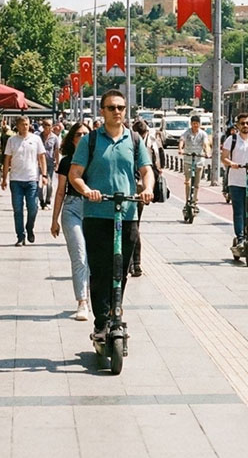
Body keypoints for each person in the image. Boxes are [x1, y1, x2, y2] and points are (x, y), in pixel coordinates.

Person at [68, 90, 154, 342]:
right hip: (97, 214)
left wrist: (147, 188)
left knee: (121, 269)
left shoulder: (135, 139)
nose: (117, 112)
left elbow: (146, 170)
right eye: (111, 107)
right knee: (100, 270)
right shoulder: (90, 140)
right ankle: (101, 321)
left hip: (126, 214)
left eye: (121, 107)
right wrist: (87, 191)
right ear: (102, 111)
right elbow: (75, 174)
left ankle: (116, 311)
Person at [50, 122, 91, 321]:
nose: (82, 138)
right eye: (78, 135)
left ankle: (95, 299)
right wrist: (54, 220)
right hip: (72, 208)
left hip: (94, 210)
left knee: (94, 257)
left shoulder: (97, 159)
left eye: (86, 134)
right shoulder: (67, 162)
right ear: (72, 139)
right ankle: (82, 301)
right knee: (79, 255)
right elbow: (60, 192)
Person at [220, 112, 248, 247]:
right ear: (237, 125)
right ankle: (240, 237)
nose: (245, 125)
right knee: (239, 210)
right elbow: (224, 157)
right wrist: (231, 163)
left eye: (247, 123)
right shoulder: (232, 139)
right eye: (242, 123)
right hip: (235, 181)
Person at [1, 116, 46, 246]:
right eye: (22, 124)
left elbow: (41, 157)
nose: (24, 127)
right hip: (16, 179)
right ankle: (20, 236)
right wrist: (4, 178)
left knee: (33, 207)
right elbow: (7, 159)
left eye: (26, 124)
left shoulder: (36, 139)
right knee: (18, 209)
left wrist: (44, 175)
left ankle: (29, 227)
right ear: (17, 126)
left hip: (32, 178)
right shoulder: (12, 140)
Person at [128, 119, 164, 278]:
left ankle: (133, 263)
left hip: (134, 187)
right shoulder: (150, 142)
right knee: (134, 225)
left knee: (130, 225)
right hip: (141, 187)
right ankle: (136, 264)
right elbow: (157, 162)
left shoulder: (128, 140)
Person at [179, 114, 212, 202]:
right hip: (188, 160)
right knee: (188, 182)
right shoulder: (187, 133)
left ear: (199, 124)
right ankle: (187, 200)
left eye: (197, 123)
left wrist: (207, 152)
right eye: (194, 123)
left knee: (197, 184)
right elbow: (182, 140)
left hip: (199, 160)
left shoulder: (203, 134)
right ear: (191, 124)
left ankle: (194, 199)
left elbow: (206, 144)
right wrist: (180, 149)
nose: (195, 125)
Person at [39, 119, 60, 210]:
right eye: (46, 125)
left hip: (50, 163)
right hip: (39, 163)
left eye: (49, 125)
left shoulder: (54, 138)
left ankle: (48, 201)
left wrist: (57, 163)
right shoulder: (38, 137)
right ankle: (41, 201)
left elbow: (56, 151)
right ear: (43, 126)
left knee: (49, 183)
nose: (47, 127)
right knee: (39, 184)